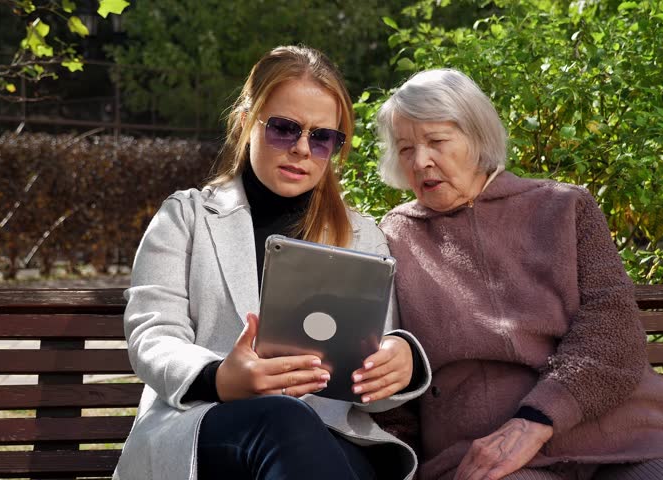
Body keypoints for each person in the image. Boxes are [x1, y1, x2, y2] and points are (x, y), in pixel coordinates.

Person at [113, 46, 431, 480]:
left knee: (301, 433)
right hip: (203, 423)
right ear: (247, 122)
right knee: (281, 420)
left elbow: (369, 374)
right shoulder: (184, 217)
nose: (302, 149)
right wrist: (220, 377)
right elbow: (153, 335)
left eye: (322, 138)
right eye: (284, 129)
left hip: (328, 434)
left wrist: (399, 359)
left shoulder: (362, 235)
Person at [375, 68, 663, 480]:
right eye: (405, 149)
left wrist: (537, 418)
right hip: (485, 453)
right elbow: (385, 372)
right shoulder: (394, 237)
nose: (420, 161)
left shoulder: (565, 207)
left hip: (619, 436)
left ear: (477, 139)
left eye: (437, 141)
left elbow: (613, 328)